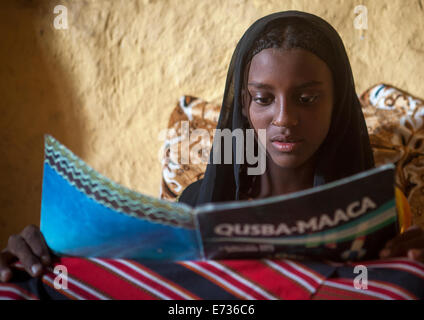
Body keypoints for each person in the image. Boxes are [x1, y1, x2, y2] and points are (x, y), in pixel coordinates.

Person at [1, 11, 423, 284]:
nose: (284, 118)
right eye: (263, 98)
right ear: (243, 104)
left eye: (308, 99)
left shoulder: (382, 211)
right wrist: (43, 262)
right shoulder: (190, 210)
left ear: (339, 104)